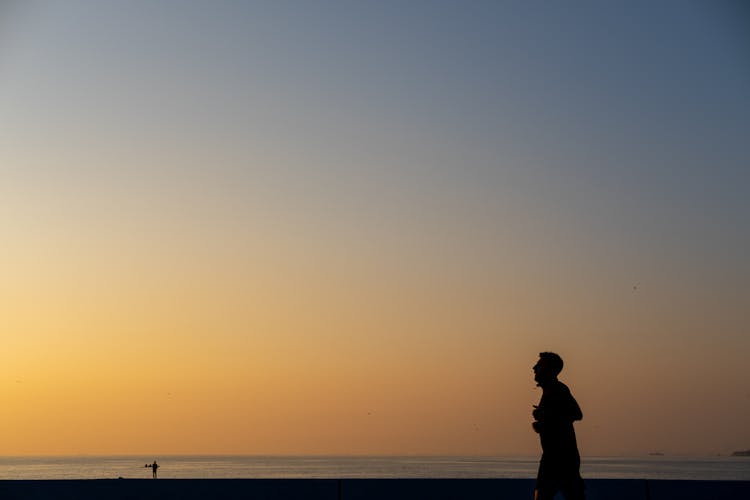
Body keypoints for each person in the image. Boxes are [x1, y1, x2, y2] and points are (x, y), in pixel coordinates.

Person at [532, 352, 585, 500]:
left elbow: (576, 413)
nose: (534, 368)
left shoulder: (558, 389)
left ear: (550, 370)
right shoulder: (551, 391)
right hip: (553, 457)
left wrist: (546, 416)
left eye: (539, 365)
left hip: (561, 458)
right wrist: (542, 420)